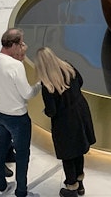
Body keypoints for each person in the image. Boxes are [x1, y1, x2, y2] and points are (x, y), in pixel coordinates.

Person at [0, 28, 40, 197]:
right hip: (19, 119)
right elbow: (27, 94)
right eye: (21, 42)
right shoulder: (16, 66)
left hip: (1, 115)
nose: (23, 45)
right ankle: (21, 191)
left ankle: (0, 186)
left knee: (0, 150)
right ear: (14, 44)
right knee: (22, 155)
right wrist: (39, 85)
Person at [36, 48, 96, 197]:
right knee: (79, 150)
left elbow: (52, 111)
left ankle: (71, 188)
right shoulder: (69, 67)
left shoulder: (47, 85)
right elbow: (80, 82)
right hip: (80, 113)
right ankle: (80, 184)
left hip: (64, 122)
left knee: (68, 155)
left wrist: (45, 111)